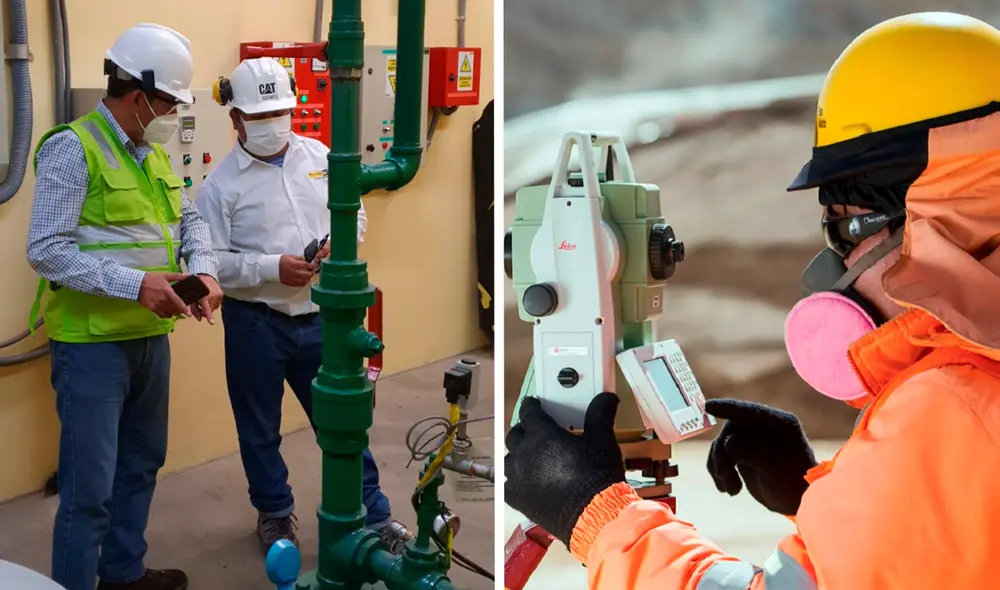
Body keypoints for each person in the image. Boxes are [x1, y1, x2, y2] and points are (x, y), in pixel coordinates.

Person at [505, 12, 1000, 590]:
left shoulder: (953, 406)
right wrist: (826, 493)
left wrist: (598, 517)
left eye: (843, 229)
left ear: (940, 217)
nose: (831, 271)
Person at [25, 23, 222, 590]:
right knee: (88, 492)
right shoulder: (73, 147)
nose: (168, 114)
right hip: (92, 349)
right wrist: (136, 285)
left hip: (150, 340)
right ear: (140, 95)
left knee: (140, 465)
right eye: (166, 103)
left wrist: (203, 270)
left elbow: (189, 221)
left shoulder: (153, 154)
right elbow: (46, 251)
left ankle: (123, 574)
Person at [196, 58, 402, 555]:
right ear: (236, 119)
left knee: (342, 422)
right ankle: (274, 514)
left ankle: (375, 514)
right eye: (261, 116)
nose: (273, 124)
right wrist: (272, 268)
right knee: (259, 428)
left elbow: (358, 216)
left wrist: (338, 243)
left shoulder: (321, 156)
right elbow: (211, 263)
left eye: (281, 112)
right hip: (254, 323)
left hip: (321, 321)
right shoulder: (219, 187)